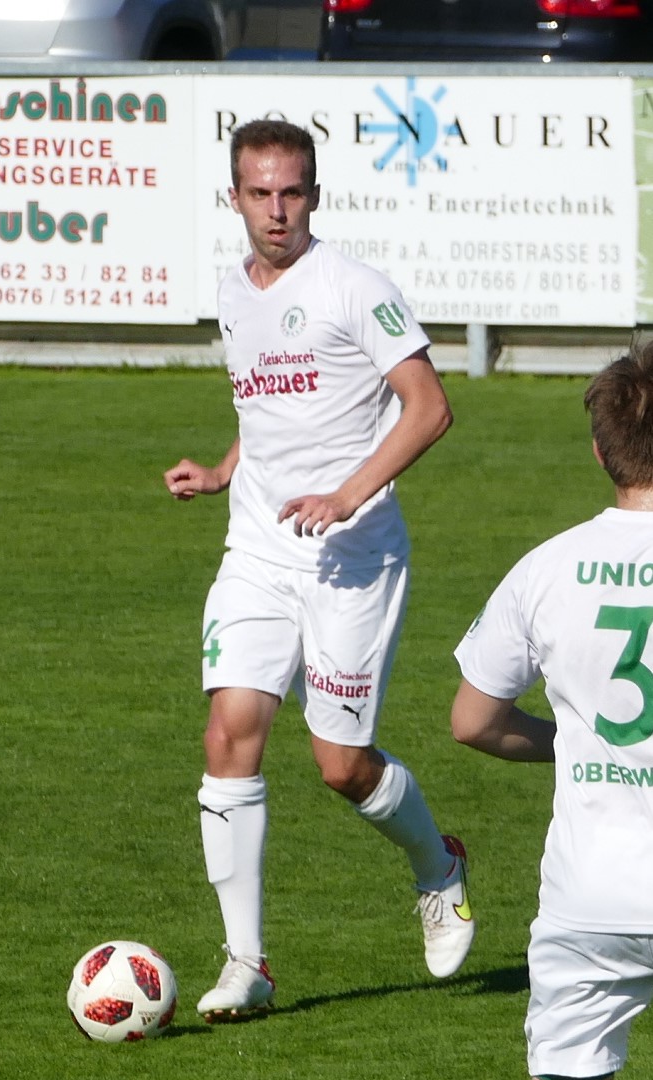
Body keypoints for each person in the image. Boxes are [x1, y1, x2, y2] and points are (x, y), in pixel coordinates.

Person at [164, 118, 475, 1022]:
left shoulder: (354, 288)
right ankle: (247, 963)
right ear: (234, 197)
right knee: (230, 730)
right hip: (258, 550)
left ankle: (438, 866)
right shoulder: (233, 290)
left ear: (315, 196)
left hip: (352, 556)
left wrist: (346, 495)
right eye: (260, 193)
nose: (277, 210)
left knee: (340, 764)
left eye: (292, 192)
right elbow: (263, 409)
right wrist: (223, 472)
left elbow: (429, 407)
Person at [451, 344, 653, 1080]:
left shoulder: (547, 567)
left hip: (589, 895)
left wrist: (572, 739)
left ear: (600, 451)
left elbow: (473, 719)